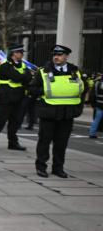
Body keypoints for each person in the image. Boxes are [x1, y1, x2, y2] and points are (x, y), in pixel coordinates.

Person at [30, 45, 87, 178]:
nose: (56, 57)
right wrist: (44, 91)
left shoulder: (75, 71)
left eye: (60, 54)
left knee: (61, 143)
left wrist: (78, 109)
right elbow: (32, 89)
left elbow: (82, 91)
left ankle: (58, 168)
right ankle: (41, 166)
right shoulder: (43, 71)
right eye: (54, 54)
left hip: (67, 113)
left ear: (66, 56)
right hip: (49, 112)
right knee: (44, 141)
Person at [0, 44, 32, 151]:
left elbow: (29, 78)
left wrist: (25, 75)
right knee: (1, 120)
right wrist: (25, 75)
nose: (22, 54)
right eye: (20, 52)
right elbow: (17, 77)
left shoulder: (22, 65)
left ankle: (13, 143)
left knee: (15, 121)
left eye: (22, 53)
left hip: (18, 97)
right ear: (14, 54)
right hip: (6, 97)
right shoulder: (5, 66)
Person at [89, 74, 103, 139]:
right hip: (99, 103)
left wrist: (93, 103)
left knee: (96, 120)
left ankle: (92, 133)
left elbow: (92, 94)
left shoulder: (97, 83)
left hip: (99, 103)